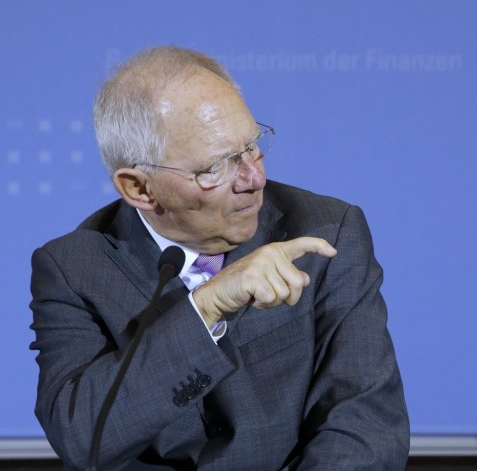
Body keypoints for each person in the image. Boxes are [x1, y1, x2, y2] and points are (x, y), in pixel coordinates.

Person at [30, 46, 409, 469]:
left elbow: (365, 422)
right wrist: (204, 308)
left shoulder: (324, 232)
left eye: (253, 146)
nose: (254, 178)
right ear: (139, 188)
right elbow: (86, 439)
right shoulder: (74, 269)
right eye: (216, 167)